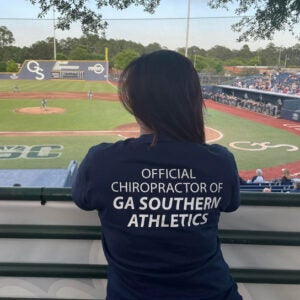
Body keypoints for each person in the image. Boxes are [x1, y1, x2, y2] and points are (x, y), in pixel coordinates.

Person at [72, 50, 242, 300]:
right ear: (193, 99)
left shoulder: (102, 161)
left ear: (134, 101)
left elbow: (82, 200)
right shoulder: (220, 162)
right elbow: (230, 204)